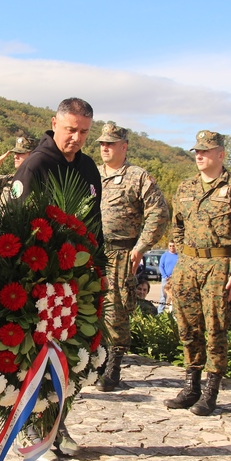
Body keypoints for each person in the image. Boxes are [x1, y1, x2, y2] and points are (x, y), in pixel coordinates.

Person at [8, 97, 102, 457]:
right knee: (36, 356)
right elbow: (15, 224)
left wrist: (97, 268)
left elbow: (96, 225)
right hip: (39, 278)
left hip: (77, 278)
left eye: (83, 132)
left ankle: (57, 425)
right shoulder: (36, 165)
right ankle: (31, 427)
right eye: (70, 129)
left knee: (69, 356)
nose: (76, 138)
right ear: (54, 123)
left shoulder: (89, 168)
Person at [166, 130, 231, 416]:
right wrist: (183, 254)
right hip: (188, 264)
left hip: (218, 266)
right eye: (196, 151)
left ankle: (211, 391)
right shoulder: (185, 187)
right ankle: (191, 385)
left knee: (215, 329)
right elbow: (178, 225)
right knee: (187, 327)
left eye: (206, 151)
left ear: (220, 154)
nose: (199, 155)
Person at [94, 122, 168, 391]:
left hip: (123, 253)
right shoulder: (93, 173)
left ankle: (112, 369)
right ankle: (94, 363)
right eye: (102, 143)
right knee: (92, 307)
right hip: (93, 251)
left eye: (111, 143)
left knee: (116, 309)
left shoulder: (137, 177)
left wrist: (141, 247)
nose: (105, 147)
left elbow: (159, 213)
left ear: (124, 147)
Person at [158, 241, 178, 313]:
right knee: (163, 296)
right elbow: (161, 266)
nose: (172, 247)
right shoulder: (164, 255)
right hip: (165, 279)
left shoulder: (178, 256)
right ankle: (160, 312)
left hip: (175, 279)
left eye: (173, 246)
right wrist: (165, 276)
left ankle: (173, 312)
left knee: (174, 296)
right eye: (170, 246)